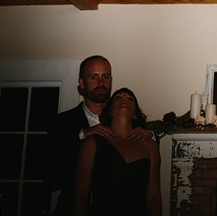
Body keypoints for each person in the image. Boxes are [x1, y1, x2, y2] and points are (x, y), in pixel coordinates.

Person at [47, 56, 154, 216]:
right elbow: (50, 175)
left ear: (111, 80)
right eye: (93, 77)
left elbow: (149, 155)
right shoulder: (62, 123)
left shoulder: (126, 117)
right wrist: (82, 134)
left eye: (105, 77)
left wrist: (151, 134)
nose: (101, 83)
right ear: (82, 83)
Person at [74, 88, 162, 216]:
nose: (124, 98)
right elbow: (81, 195)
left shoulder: (150, 146)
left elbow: (154, 196)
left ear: (135, 114)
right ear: (109, 111)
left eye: (130, 98)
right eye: (118, 97)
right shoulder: (92, 143)